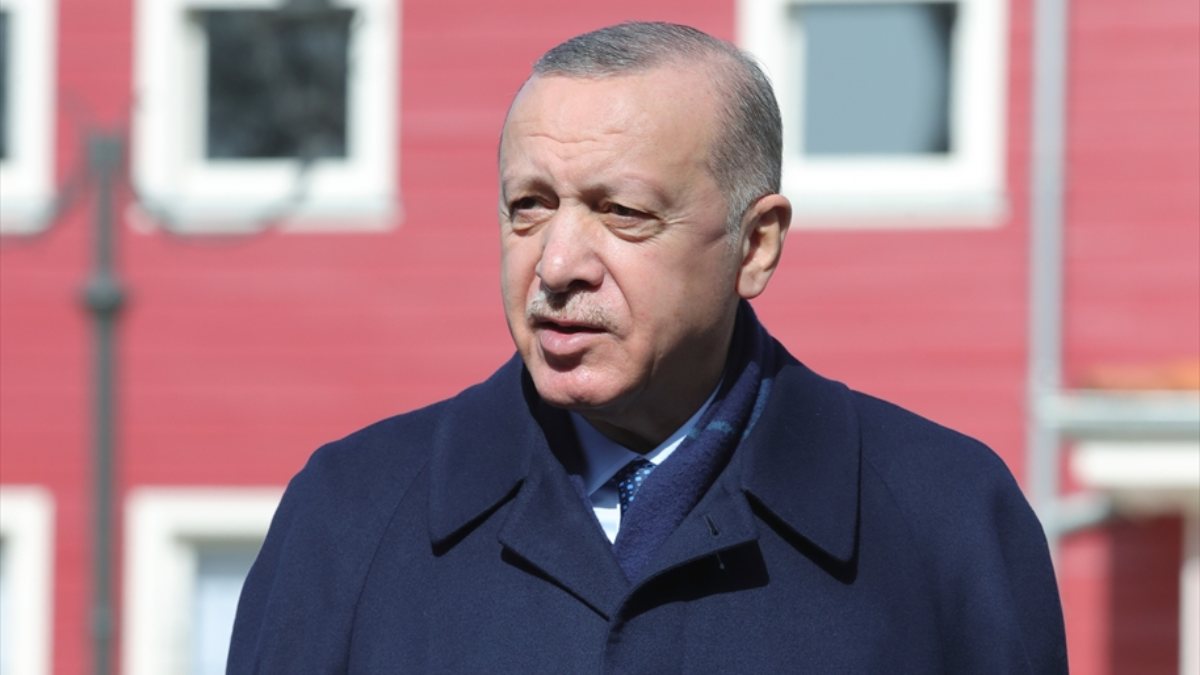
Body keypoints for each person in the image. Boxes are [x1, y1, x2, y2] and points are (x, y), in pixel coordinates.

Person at [228, 22, 1067, 673]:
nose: (557, 264)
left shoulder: (948, 520)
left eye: (622, 212)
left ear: (756, 245)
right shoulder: (350, 513)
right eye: (529, 206)